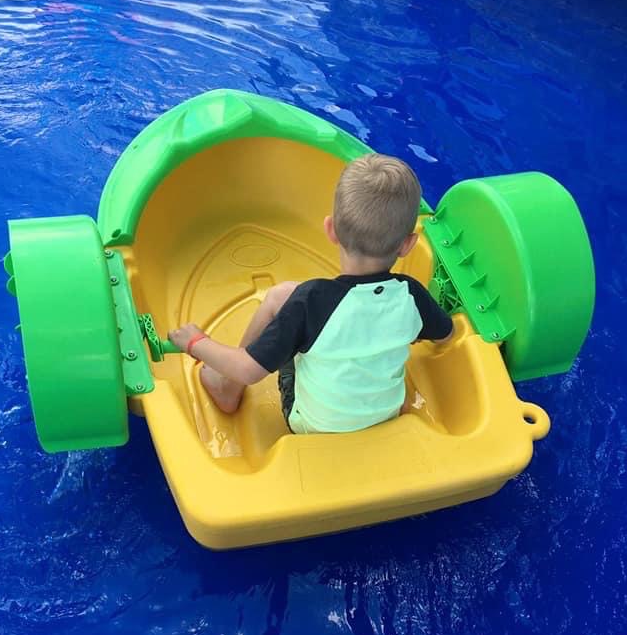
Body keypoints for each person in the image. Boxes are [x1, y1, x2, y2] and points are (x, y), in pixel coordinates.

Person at [168, 154, 453, 434]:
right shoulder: (411, 296)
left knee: (280, 296)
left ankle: (227, 387)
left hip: (314, 427)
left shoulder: (310, 301)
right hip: (384, 417)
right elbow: (446, 335)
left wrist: (195, 342)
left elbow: (248, 370)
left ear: (331, 229)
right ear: (407, 244)